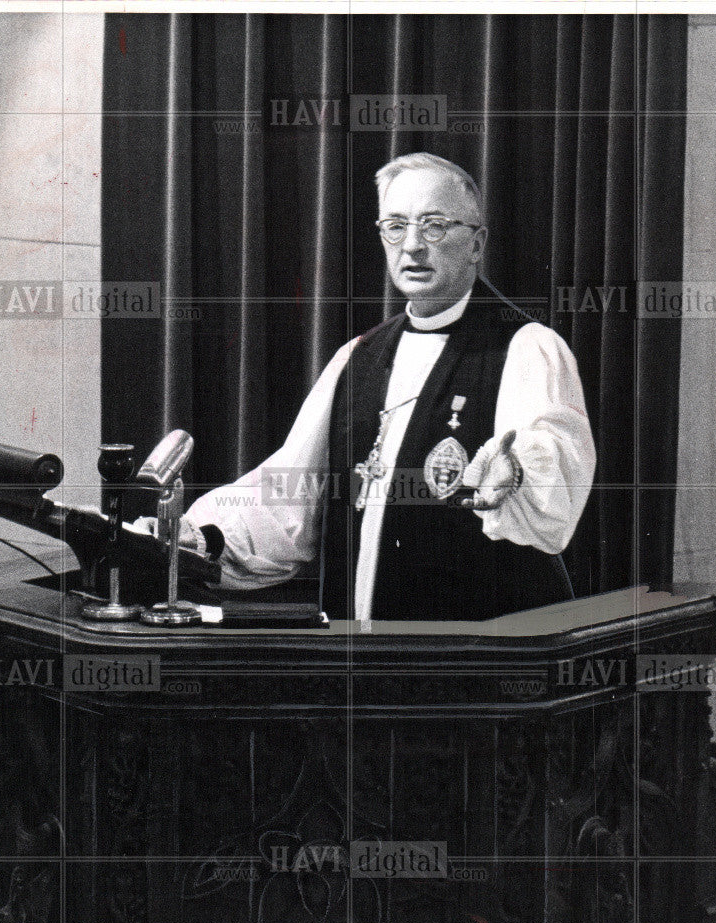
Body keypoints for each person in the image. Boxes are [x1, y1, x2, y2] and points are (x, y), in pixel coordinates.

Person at [137, 152, 596, 621]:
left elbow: (554, 468)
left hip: (480, 652)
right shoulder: (357, 356)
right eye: (395, 226)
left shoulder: (527, 348)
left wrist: (517, 472)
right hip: (362, 654)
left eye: (434, 225)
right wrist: (201, 535)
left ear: (477, 243)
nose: (413, 245)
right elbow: (291, 495)